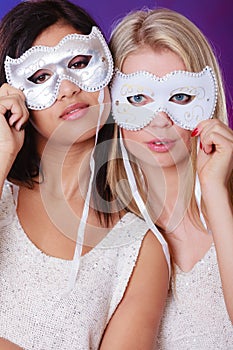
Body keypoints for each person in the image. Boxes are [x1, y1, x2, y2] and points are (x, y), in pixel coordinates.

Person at [0, 1, 170, 349]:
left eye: (79, 64)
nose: (67, 88)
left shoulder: (139, 249)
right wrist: (2, 155)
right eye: (40, 76)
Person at [109, 7, 233, 349]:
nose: (160, 119)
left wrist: (216, 195)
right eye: (137, 98)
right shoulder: (98, 228)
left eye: (180, 97)